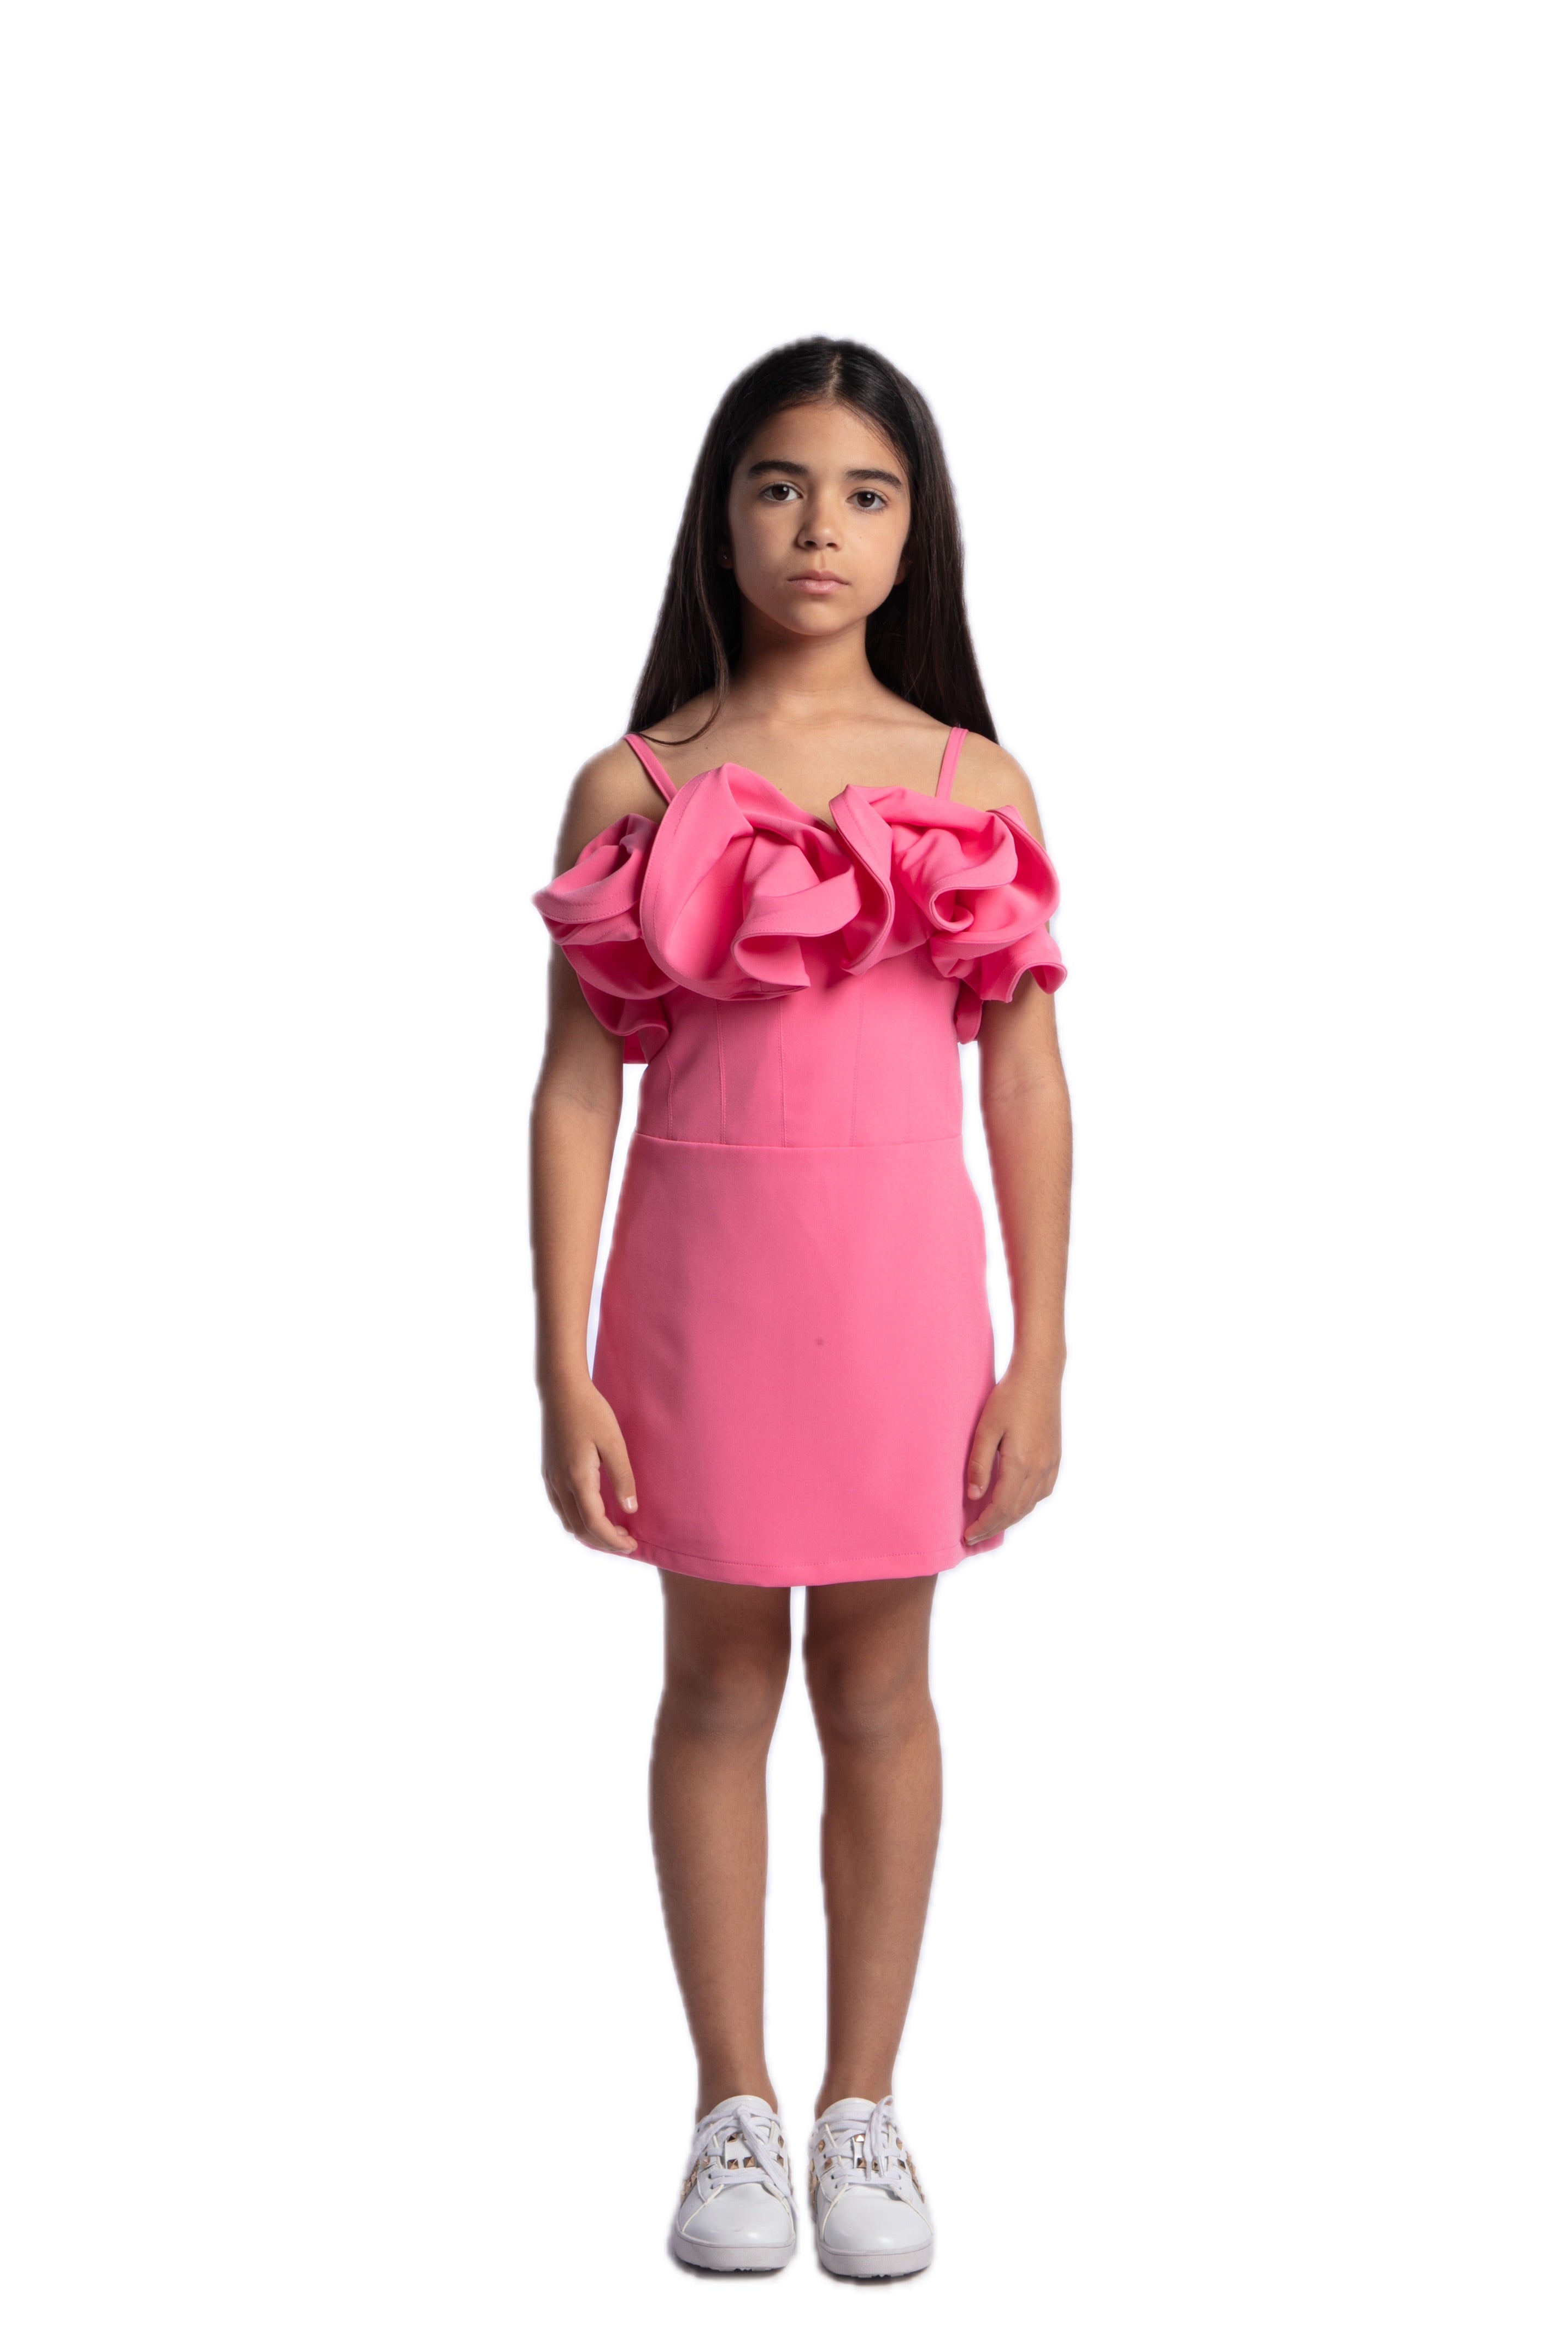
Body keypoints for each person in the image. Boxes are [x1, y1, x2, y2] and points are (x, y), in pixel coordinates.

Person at [529, 337, 1072, 2278]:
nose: (819, 527)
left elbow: (1025, 1080)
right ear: (721, 516)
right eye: (778, 485)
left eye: (864, 492)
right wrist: (561, 1365)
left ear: (917, 532)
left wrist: (1042, 1350)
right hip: (702, 1285)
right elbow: (576, 1087)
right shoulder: (639, 781)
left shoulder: (969, 782)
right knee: (711, 1684)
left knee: (882, 1688)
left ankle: (865, 2108)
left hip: (899, 1286)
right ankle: (730, 2108)